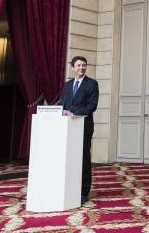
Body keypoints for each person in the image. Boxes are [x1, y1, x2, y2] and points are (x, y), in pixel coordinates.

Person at [61, 56, 99, 205]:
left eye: (84, 65)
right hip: (67, 128)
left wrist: (74, 113)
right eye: (78, 65)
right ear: (72, 68)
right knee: (69, 159)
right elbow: (63, 103)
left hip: (83, 127)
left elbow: (92, 105)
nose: (81, 68)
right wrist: (63, 111)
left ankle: (84, 192)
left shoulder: (92, 84)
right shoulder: (67, 85)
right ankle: (70, 188)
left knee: (83, 160)